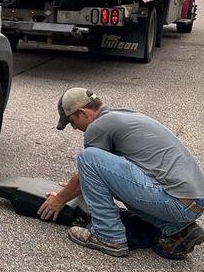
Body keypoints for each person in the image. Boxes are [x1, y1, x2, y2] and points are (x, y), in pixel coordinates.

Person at [37, 88, 204, 258]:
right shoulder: (123, 116)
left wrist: (59, 199)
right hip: (193, 201)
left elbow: (90, 165)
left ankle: (108, 236)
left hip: (177, 203)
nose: (73, 127)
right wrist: (86, 182)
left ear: (82, 112)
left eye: (72, 121)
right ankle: (179, 230)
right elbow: (109, 173)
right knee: (101, 168)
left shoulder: (98, 126)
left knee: (87, 157)